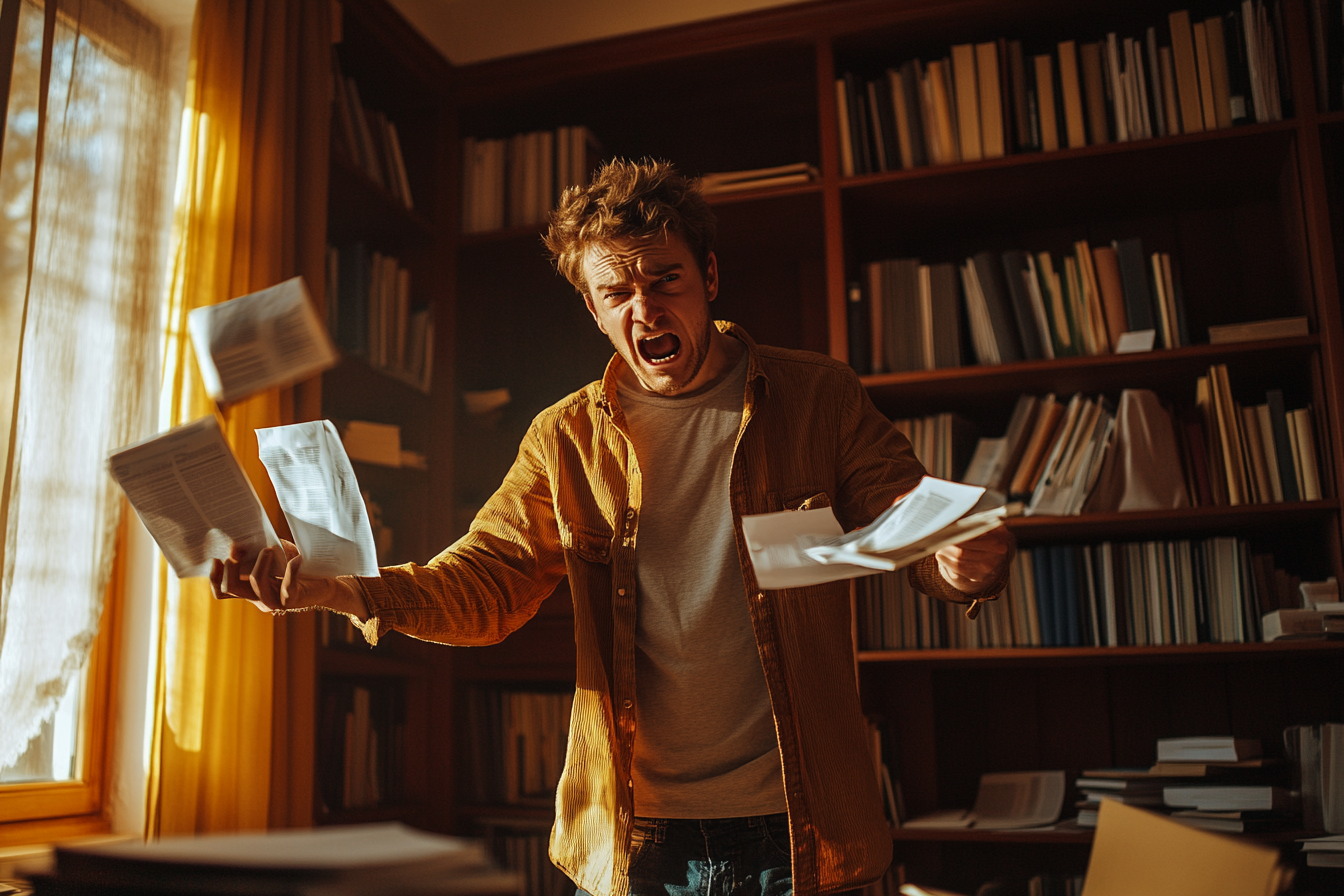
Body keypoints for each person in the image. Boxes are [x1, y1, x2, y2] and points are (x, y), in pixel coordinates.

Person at [213, 159, 1014, 896]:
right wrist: (343, 588)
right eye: (619, 293)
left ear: (708, 277)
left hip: (802, 825)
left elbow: (909, 522)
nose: (647, 307)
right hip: (638, 835)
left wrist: (958, 563)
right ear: (593, 309)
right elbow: (482, 586)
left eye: (666, 280)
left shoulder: (820, 396)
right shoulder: (564, 439)